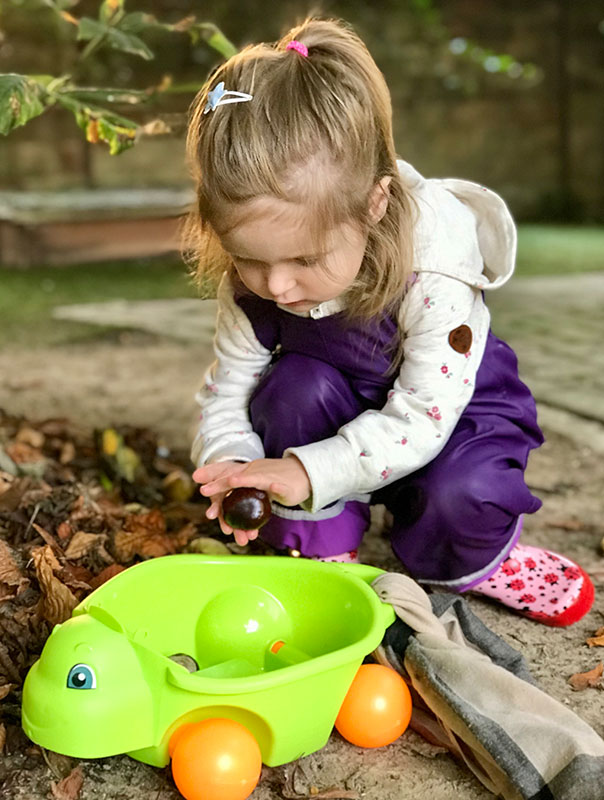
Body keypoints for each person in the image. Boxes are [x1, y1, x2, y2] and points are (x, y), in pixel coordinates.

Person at [185, 16, 594, 627]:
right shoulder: (256, 284)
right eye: (249, 259)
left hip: (448, 417)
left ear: (375, 204)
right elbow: (227, 393)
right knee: (290, 388)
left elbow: (426, 415)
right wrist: (238, 462)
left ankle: (476, 559)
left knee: (463, 494)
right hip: (338, 408)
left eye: (305, 259)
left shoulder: (433, 269)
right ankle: (320, 550)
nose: (276, 285)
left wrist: (304, 469)